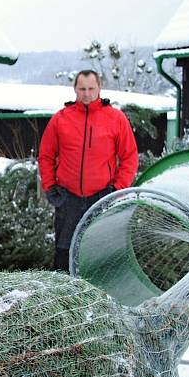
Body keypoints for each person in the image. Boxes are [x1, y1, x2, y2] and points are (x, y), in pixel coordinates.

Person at [38, 70, 139, 271]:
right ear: (74, 89)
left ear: (99, 88)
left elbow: (130, 157)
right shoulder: (61, 119)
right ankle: (62, 294)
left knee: (100, 250)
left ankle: (100, 295)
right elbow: (46, 156)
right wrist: (50, 187)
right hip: (68, 198)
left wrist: (117, 188)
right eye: (82, 89)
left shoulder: (115, 118)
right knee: (64, 252)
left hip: (102, 197)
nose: (86, 94)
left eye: (91, 88)